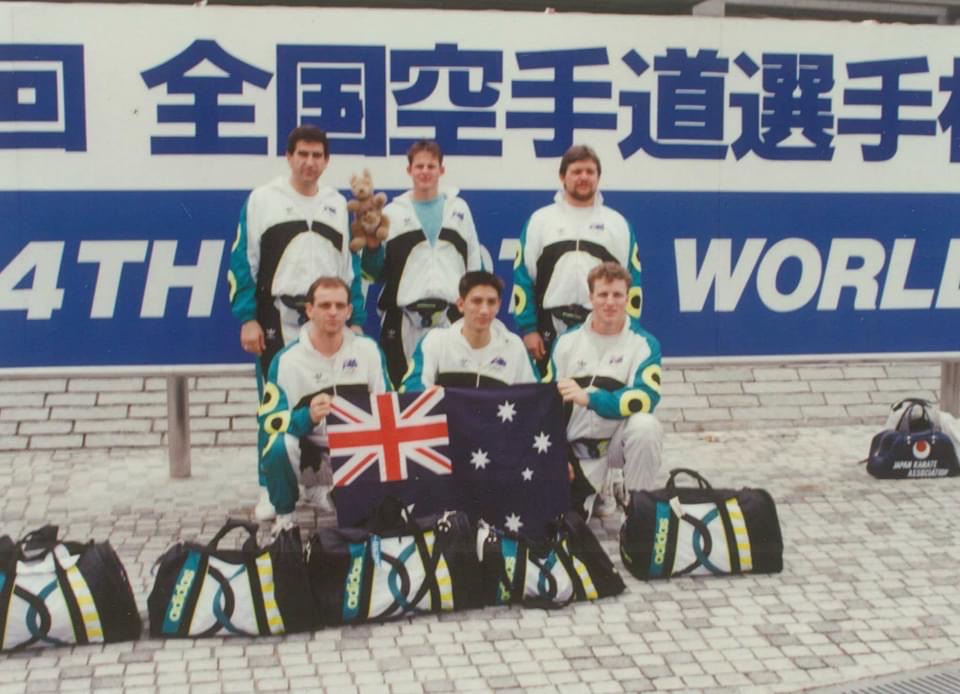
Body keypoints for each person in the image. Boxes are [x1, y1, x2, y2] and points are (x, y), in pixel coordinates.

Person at [227, 124, 366, 520]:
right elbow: (243, 262)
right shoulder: (263, 200)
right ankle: (271, 488)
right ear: (289, 157)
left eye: (317, 155)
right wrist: (248, 318)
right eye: (302, 154)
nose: (309, 162)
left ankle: (319, 484)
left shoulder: (335, 204)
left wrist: (355, 317)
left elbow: (349, 267)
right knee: (276, 401)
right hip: (279, 317)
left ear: (327, 161)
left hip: (329, 319)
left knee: (328, 397)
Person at [257, 277, 390, 534]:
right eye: (325, 305)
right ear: (309, 310)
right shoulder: (287, 361)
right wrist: (307, 416)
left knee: (366, 519)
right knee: (277, 445)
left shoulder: (369, 351)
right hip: (312, 457)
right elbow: (270, 422)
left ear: (349, 311)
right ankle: (285, 516)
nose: (333, 312)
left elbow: (388, 406)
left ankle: (336, 494)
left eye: (340, 306)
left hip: (358, 454)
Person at [544, 262, 663, 520]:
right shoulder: (566, 342)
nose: (610, 302)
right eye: (603, 294)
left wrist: (590, 398)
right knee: (564, 525)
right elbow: (546, 405)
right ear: (591, 297)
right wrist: (557, 455)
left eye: (617, 295)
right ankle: (601, 488)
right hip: (577, 449)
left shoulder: (644, 343)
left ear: (627, 298)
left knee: (646, 426)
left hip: (616, 445)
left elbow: (645, 398)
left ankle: (638, 511)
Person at [362, 140, 482, 388]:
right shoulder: (392, 213)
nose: (425, 171)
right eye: (419, 166)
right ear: (409, 170)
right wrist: (372, 247)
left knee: (452, 392)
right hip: (404, 322)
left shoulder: (459, 209)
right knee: (403, 394)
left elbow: (474, 266)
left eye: (431, 166)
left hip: (450, 319)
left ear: (441, 170)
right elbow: (374, 274)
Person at [513, 144, 644, 366]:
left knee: (597, 388)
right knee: (552, 388)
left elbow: (633, 284)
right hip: (550, 330)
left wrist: (630, 331)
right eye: (576, 171)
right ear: (562, 176)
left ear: (598, 177)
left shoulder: (618, 224)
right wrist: (528, 329)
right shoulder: (540, 221)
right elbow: (523, 278)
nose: (584, 177)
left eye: (590, 172)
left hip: (602, 328)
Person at [401, 271, 539, 391]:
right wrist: (429, 395)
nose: (484, 310)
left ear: (498, 306)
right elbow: (411, 388)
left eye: (491, 302)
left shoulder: (514, 347)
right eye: (477, 301)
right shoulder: (435, 341)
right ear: (461, 304)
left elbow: (535, 396)